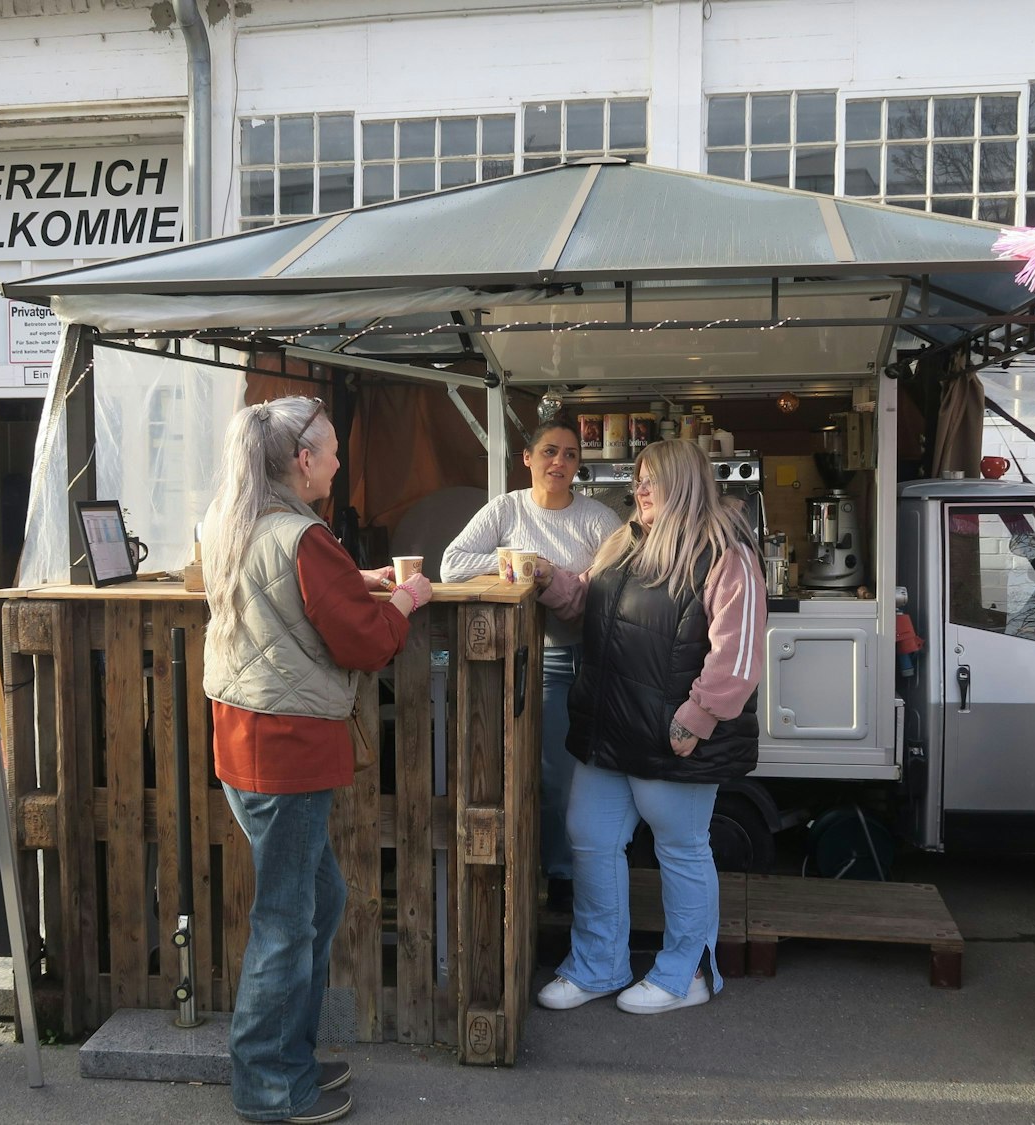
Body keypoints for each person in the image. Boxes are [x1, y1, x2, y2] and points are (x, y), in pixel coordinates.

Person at [202, 395, 432, 1125]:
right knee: (284, 918)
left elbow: (292, 601)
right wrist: (406, 599)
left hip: (245, 739)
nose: (338, 462)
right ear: (303, 462)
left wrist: (349, 582)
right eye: (331, 451)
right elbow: (363, 642)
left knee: (315, 901)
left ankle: (288, 1059)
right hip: (290, 746)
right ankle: (268, 1085)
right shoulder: (303, 538)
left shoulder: (231, 521)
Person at [532, 438, 766, 1016]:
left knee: (682, 850)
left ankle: (687, 973)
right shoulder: (624, 541)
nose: (637, 490)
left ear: (682, 483)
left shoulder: (724, 551)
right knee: (590, 838)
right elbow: (588, 599)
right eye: (636, 479)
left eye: (649, 480)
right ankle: (597, 965)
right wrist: (548, 581)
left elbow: (738, 654)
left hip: (672, 736)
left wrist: (698, 717)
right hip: (608, 729)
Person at [441, 414, 622, 911]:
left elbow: (616, 581)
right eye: (549, 452)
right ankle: (548, 876)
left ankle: (573, 875)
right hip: (532, 660)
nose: (559, 462)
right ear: (527, 459)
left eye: (569, 454)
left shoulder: (597, 519)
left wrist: (556, 575)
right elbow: (451, 565)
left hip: (591, 660)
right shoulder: (505, 509)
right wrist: (518, 560)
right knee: (540, 774)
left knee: (586, 776)